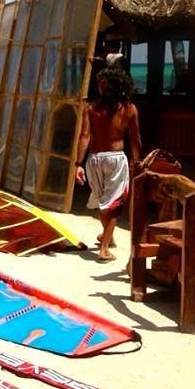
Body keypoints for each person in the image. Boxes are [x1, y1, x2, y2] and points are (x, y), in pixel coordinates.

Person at [75, 59, 142, 262]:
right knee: (112, 204)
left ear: (111, 86)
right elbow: (135, 139)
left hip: (95, 159)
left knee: (104, 202)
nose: (99, 87)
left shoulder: (92, 107)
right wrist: (137, 161)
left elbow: (85, 136)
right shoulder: (129, 109)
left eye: (102, 84)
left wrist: (79, 164)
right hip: (114, 159)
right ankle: (104, 247)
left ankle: (107, 238)